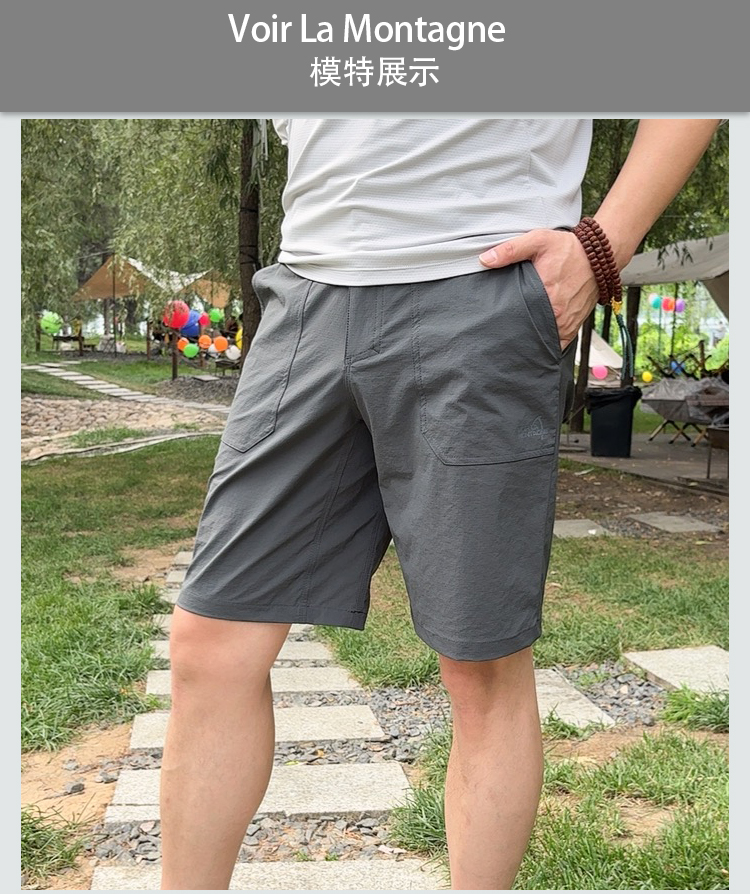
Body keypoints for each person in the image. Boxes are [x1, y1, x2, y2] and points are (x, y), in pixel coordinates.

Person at [160, 118, 722, 891]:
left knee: (480, 663)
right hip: (308, 293)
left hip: (480, 286)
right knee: (210, 643)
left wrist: (603, 247)